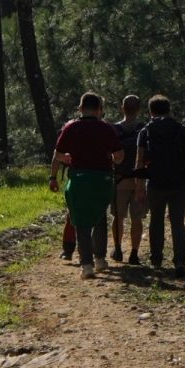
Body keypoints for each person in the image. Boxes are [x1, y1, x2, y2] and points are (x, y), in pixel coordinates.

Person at [52, 92, 123, 279]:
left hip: (79, 178)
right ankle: (100, 258)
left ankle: (87, 265)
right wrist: (111, 159)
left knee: (81, 219)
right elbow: (119, 156)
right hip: (102, 179)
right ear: (99, 109)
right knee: (99, 215)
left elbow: (58, 154)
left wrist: (68, 158)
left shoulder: (71, 128)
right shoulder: (106, 128)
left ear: (80, 108)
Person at [136, 94, 185, 275]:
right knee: (178, 223)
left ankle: (156, 260)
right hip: (179, 183)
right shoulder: (180, 129)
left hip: (155, 182)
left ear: (150, 112)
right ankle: (180, 262)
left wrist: (139, 187)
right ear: (169, 109)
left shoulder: (146, 131)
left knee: (156, 221)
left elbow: (139, 161)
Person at [109, 94, 147, 265]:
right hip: (140, 180)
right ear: (139, 109)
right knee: (137, 219)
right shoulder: (144, 129)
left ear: (122, 108)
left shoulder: (114, 130)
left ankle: (117, 249)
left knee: (118, 217)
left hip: (120, 180)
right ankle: (134, 253)